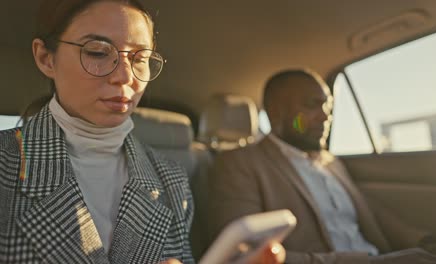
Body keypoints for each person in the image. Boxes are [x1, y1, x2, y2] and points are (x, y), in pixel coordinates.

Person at [0, 1, 285, 263]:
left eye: (140, 59)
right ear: (45, 58)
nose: (125, 77)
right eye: (98, 52)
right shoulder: (6, 165)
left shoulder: (171, 181)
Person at [199, 69, 436, 263]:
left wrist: (427, 243)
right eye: (312, 105)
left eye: (327, 105)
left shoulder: (331, 162)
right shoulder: (240, 164)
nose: (326, 115)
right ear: (276, 110)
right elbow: (245, 254)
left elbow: (374, 215)